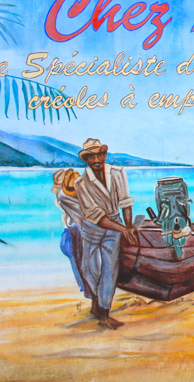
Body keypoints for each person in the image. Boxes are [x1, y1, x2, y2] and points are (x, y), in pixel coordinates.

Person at [75, 138, 138, 329]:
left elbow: (125, 202)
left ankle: (104, 313)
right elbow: (96, 216)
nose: (96, 160)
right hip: (92, 228)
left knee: (110, 270)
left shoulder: (118, 173)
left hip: (114, 225)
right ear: (86, 159)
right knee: (89, 269)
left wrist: (129, 227)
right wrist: (123, 229)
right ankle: (96, 300)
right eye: (91, 156)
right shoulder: (81, 183)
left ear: (105, 155)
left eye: (100, 155)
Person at [50, 168, 93, 302]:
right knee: (82, 263)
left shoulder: (62, 199)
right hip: (73, 234)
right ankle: (88, 290)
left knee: (79, 264)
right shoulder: (71, 200)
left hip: (68, 235)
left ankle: (86, 289)